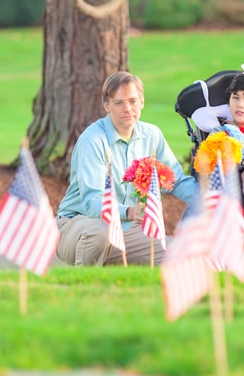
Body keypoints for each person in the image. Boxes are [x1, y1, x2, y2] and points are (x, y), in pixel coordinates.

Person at [56, 71, 198, 265]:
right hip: (78, 226)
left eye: (132, 101)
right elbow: (92, 202)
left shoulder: (152, 135)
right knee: (101, 231)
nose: (127, 108)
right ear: (107, 105)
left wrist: (211, 201)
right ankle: (86, 284)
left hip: (126, 229)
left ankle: (116, 274)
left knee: (175, 259)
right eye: (119, 103)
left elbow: (176, 181)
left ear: (142, 102)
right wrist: (128, 211)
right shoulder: (93, 141)